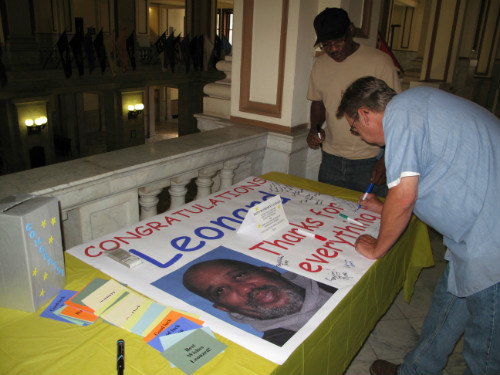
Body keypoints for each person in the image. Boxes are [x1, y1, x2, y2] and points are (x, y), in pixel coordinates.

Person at [336, 76, 500, 375]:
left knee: (486, 353)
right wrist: (386, 207)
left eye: (354, 127)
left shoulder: (401, 115)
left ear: (364, 114)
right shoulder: (419, 103)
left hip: (492, 247)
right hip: (475, 235)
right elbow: (442, 170)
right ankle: (416, 370)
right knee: (446, 309)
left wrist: (377, 247)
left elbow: (405, 195)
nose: (358, 134)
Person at [307, 7, 402, 197]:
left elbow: (397, 113)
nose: (333, 49)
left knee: (369, 220)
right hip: (331, 159)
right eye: (326, 44)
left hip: (370, 160)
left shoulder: (379, 61)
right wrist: (314, 128)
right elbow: (318, 102)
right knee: (328, 214)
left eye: (338, 41)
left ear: (351, 30)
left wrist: (385, 160)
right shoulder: (320, 65)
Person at [182, 258, 336, 346]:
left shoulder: (332, 271)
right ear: (222, 308)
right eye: (220, 291)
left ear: (269, 270)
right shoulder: (278, 346)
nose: (244, 289)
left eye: (239, 275)